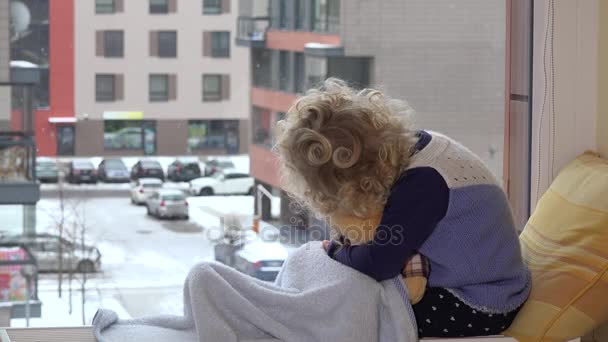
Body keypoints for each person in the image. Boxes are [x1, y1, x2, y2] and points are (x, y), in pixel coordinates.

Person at [275, 78, 530, 338]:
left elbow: (378, 263)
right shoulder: (416, 149)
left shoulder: (424, 184)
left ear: (356, 182)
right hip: (478, 280)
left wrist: (334, 252)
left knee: (362, 312)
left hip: (483, 300)